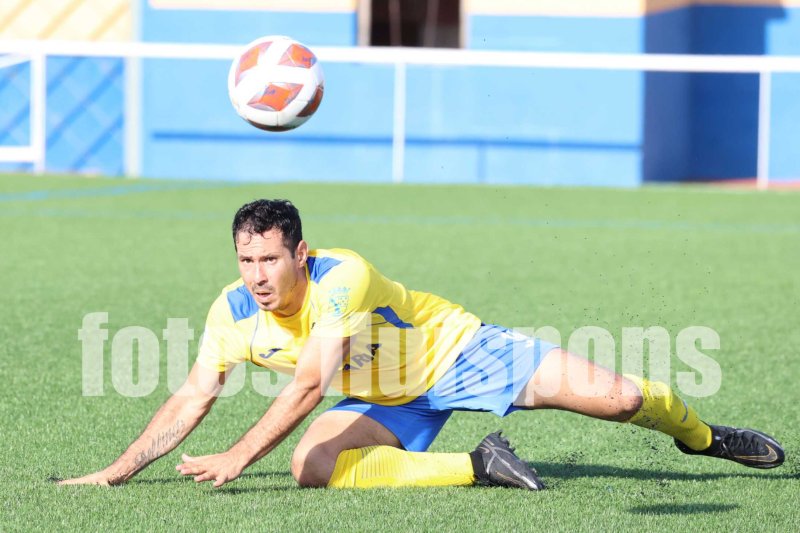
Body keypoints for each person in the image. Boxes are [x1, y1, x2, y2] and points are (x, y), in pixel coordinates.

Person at [59, 199, 785, 490]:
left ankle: (703, 436)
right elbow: (192, 393)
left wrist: (235, 454)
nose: (258, 276)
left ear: (300, 254)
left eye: (270, 260)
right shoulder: (232, 310)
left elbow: (311, 383)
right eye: (246, 262)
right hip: (390, 397)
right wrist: (117, 469)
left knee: (622, 398)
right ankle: (481, 463)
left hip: (461, 352)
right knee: (312, 464)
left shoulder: (344, 274)